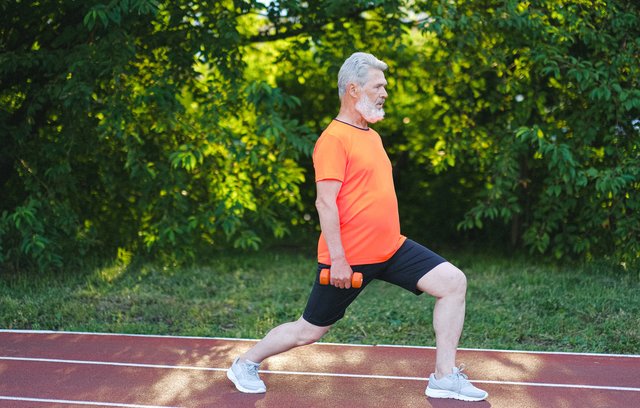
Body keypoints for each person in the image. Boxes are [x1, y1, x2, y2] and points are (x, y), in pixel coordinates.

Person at [227, 52, 488, 402]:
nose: (384, 92)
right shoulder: (334, 139)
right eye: (378, 86)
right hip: (349, 257)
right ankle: (246, 363)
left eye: (385, 86)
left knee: (454, 282)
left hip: (391, 247)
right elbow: (325, 202)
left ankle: (444, 376)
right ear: (353, 89)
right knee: (310, 330)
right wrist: (338, 259)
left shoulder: (371, 136)